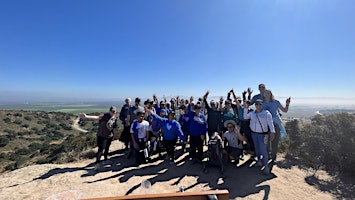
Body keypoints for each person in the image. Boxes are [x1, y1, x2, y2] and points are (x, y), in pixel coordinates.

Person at [79, 106, 118, 171]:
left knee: (107, 148)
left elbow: (113, 127)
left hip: (109, 136)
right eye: (112, 111)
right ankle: (97, 163)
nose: (113, 113)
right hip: (101, 136)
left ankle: (105, 159)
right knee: (100, 149)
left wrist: (114, 134)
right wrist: (86, 116)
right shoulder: (104, 116)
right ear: (109, 111)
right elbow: (96, 117)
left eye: (114, 111)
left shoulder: (114, 118)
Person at [243, 99, 275, 175]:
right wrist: (245, 108)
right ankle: (259, 161)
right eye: (257, 104)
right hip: (254, 133)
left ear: (262, 105)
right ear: (255, 105)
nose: (258, 106)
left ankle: (266, 167)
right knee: (257, 148)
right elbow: (245, 117)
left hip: (262, 134)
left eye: (260, 104)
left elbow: (270, 123)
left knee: (263, 150)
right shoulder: (252, 113)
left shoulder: (266, 113)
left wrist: (273, 132)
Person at [262, 89, 291, 162]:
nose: (267, 95)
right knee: (266, 142)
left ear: (271, 94)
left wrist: (287, 104)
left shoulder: (276, 102)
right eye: (265, 93)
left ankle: (273, 158)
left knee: (275, 142)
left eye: (268, 93)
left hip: (275, 125)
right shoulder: (262, 104)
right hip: (266, 126)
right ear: (263, 95)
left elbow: (285, 110)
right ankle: (267, 156)